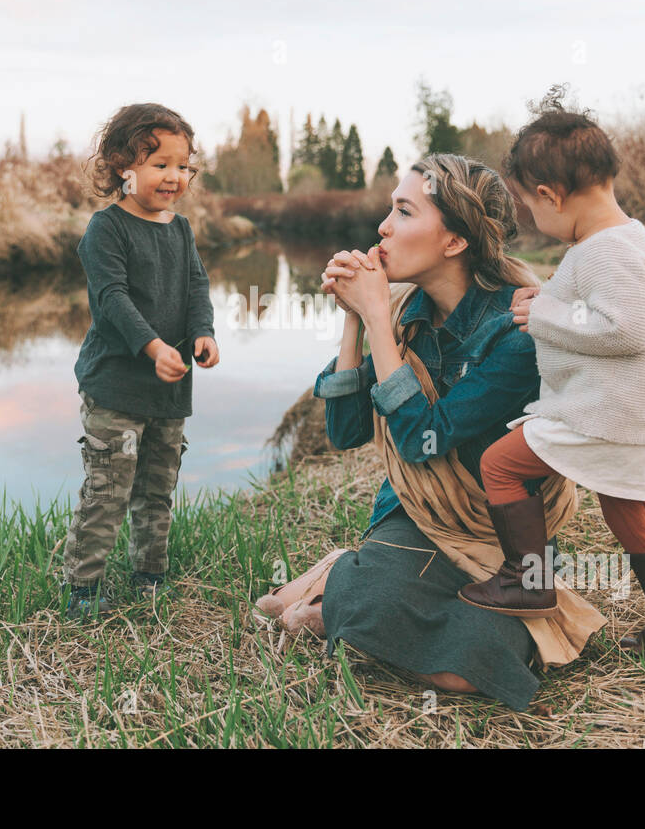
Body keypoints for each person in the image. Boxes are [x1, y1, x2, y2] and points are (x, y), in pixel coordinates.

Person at [257, 153, 605, 711]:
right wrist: (355, 319)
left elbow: (426, 437)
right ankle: (348, 576)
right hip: (415, 514)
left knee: (466, 673)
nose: (382, 228)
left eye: (402, 211)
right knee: (374, 606)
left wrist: (375, 318)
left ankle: (334, 582)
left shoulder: (518, 328)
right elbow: (345, 433)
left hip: (504, 537)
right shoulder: (401, 316)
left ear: (454, 241)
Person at [459, 93, 645, 657]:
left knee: (498, 465)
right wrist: (548, 298)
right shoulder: (623, 238)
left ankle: (527, 583)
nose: (535, 220)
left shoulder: (604, 250)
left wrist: (543, 312)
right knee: (625, 513)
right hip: (623, 412)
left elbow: (624, 329)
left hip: (601, 413)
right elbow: (598, 314)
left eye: (531, 207)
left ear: (551, 195)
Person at [62, 103, 220, 618]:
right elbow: (112, 301)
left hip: (169, 391)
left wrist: (202, 332)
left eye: (182, 165)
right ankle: (83, 591)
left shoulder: (180, 229)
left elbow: (196, 285)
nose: (174, 177)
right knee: (107, 491)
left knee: (157, 489)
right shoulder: (105, 230)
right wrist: (153, 348)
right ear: (120, 166)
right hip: (116, 388)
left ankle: (149, 579)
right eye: (159, 164)